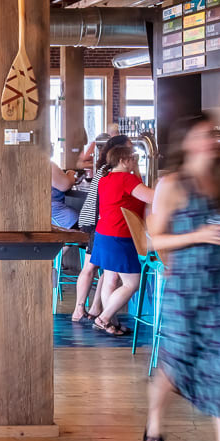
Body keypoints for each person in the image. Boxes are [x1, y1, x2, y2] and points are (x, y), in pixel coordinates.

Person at [142, 113, 220, 441]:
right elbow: (154, 241)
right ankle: (154, 420)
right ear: (186, 141)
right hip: (186, 288)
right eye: (203, 135)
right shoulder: (171, 185)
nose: (212, 141)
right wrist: (199, 235)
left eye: (213, 135)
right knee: (177, 363)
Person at [84, 141, 155, 336]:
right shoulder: (126, 179)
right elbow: (152, 197)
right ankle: (104, 318)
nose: (136, 160)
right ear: (124, 160)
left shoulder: (105, 179)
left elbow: (139, 190)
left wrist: (137, 169)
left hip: (103, 234)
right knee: (132, 283)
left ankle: (110, 323)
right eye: (134, 158)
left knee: (110, 278)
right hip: (120, 236)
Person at [71, 134, 132, 323]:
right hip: (96, 222)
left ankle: (95, 308)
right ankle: (80, 309)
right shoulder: (108, 171)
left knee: (104, 268)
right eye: (129, 150)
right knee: (90, 267)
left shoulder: (105, 169)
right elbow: (102, 201)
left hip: (97, 222)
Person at [50, 162, 79, 229]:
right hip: (61, 220)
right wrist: (70, 173)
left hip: (52, 218)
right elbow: (66, 184)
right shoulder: (45, 163)